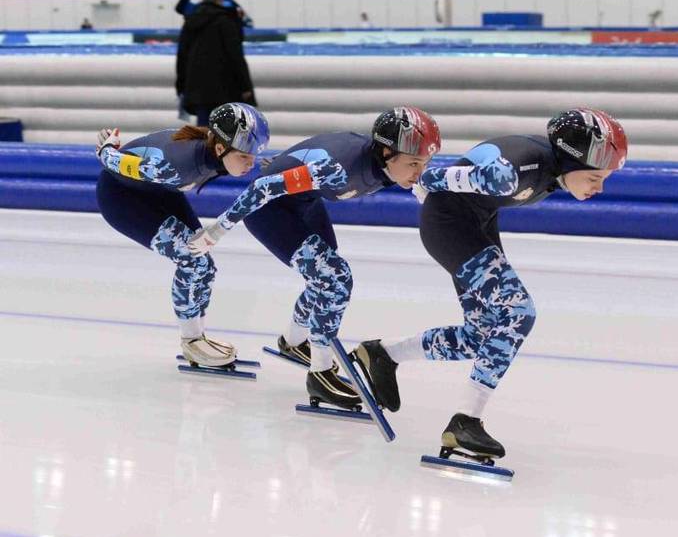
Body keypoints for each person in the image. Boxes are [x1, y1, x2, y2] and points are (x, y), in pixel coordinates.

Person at [352, 108, 628, 463]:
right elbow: (439, 175)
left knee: (481, 336)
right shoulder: (514, 172)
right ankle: (466, 421)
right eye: (595, 177)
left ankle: (384, 353)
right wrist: (423, 184)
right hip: (451, 226)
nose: (599, 187)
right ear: (573, 160)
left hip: (473, 224)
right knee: (517, 311)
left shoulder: (546, 169)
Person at [187, 107, 442, 411]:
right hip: (269, 211)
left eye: (425, 163)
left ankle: (293, 341)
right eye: (414, 163)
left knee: (325, 279)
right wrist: (217, 230)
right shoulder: (337, 168)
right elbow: (261, 188)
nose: (419, 171)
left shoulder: (388, 163)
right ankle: (320, 374)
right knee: (334, 278)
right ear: (387, 152)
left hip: (306, 203)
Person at [95, 103, 269, 367]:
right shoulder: (175, 164)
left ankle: (198, 335)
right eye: (245, 156)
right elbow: (112, 162)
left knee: (204, 262)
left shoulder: (213, 149)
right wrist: (108, 147)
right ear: (221, 149)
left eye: (254, 155)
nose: (250, 163)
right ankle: (190, 341)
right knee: (192, 260)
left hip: (160, 191)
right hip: (122, 197)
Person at [176, 0, 257, 126]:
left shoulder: (191, 21)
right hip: (225, 87)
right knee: (225, 132)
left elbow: (182, 55)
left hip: (197, 87)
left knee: (202, 132)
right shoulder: (226, 20)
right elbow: (236, 56)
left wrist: (181, 85)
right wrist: (245, 87)